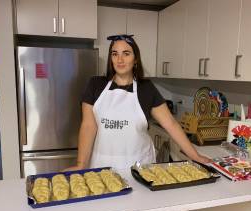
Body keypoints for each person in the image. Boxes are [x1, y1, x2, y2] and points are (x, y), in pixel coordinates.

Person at [64, 34, 211, 172]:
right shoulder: (95, 84)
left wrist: (195, 156)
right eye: (115, 54)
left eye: (126, 53)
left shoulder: (146, 88)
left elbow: (170, 124)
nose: (119, 59)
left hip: (139, 168)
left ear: (135, 60)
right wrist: (81, 164)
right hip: (102, 166)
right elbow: (88, 126)